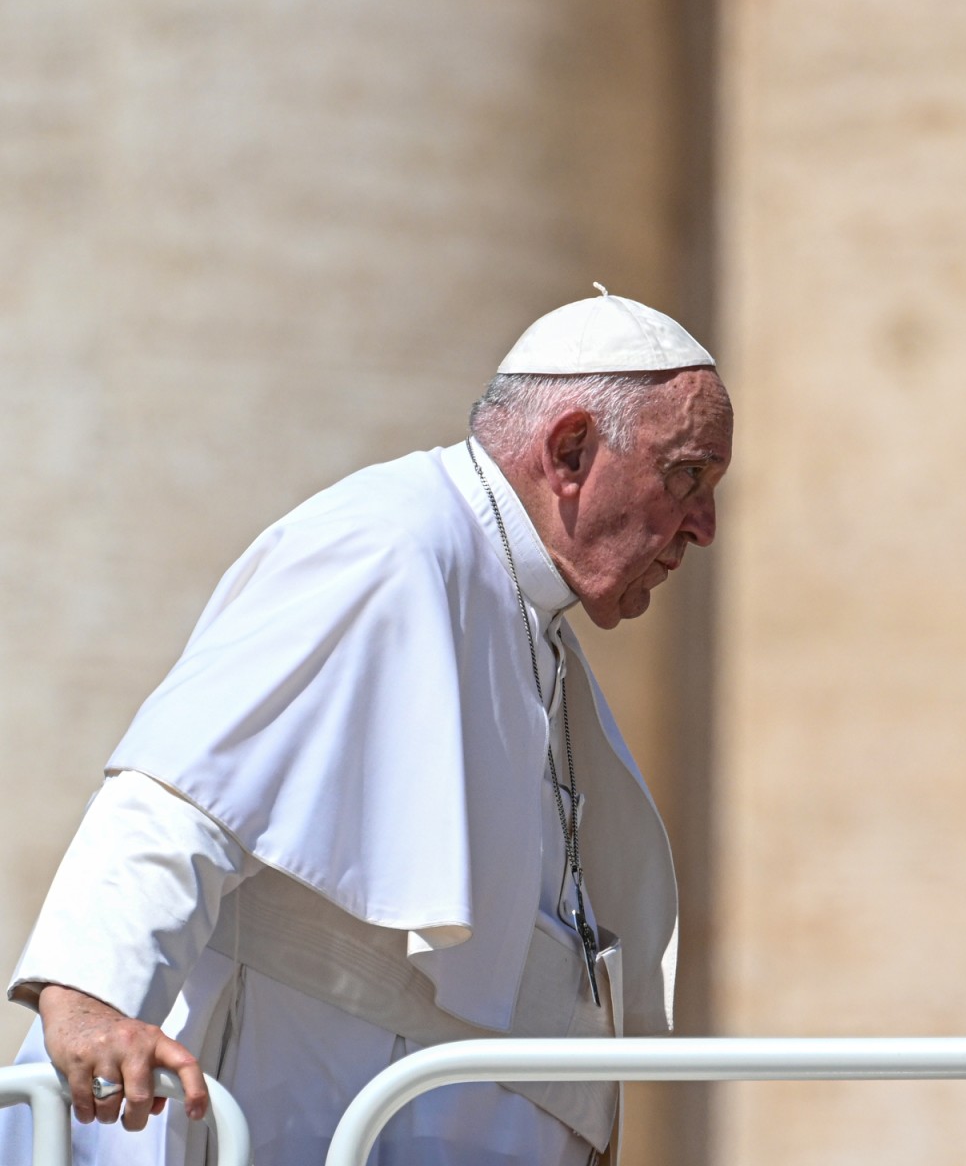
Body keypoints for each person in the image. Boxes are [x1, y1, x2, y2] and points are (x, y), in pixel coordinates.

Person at [0, 288, 733, 1166]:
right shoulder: (391, 547)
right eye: (686, 475)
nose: (705, 526)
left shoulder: (525, 607)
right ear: (569, 450)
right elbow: (181, 790)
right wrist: (89, 997)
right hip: (301, 1105)